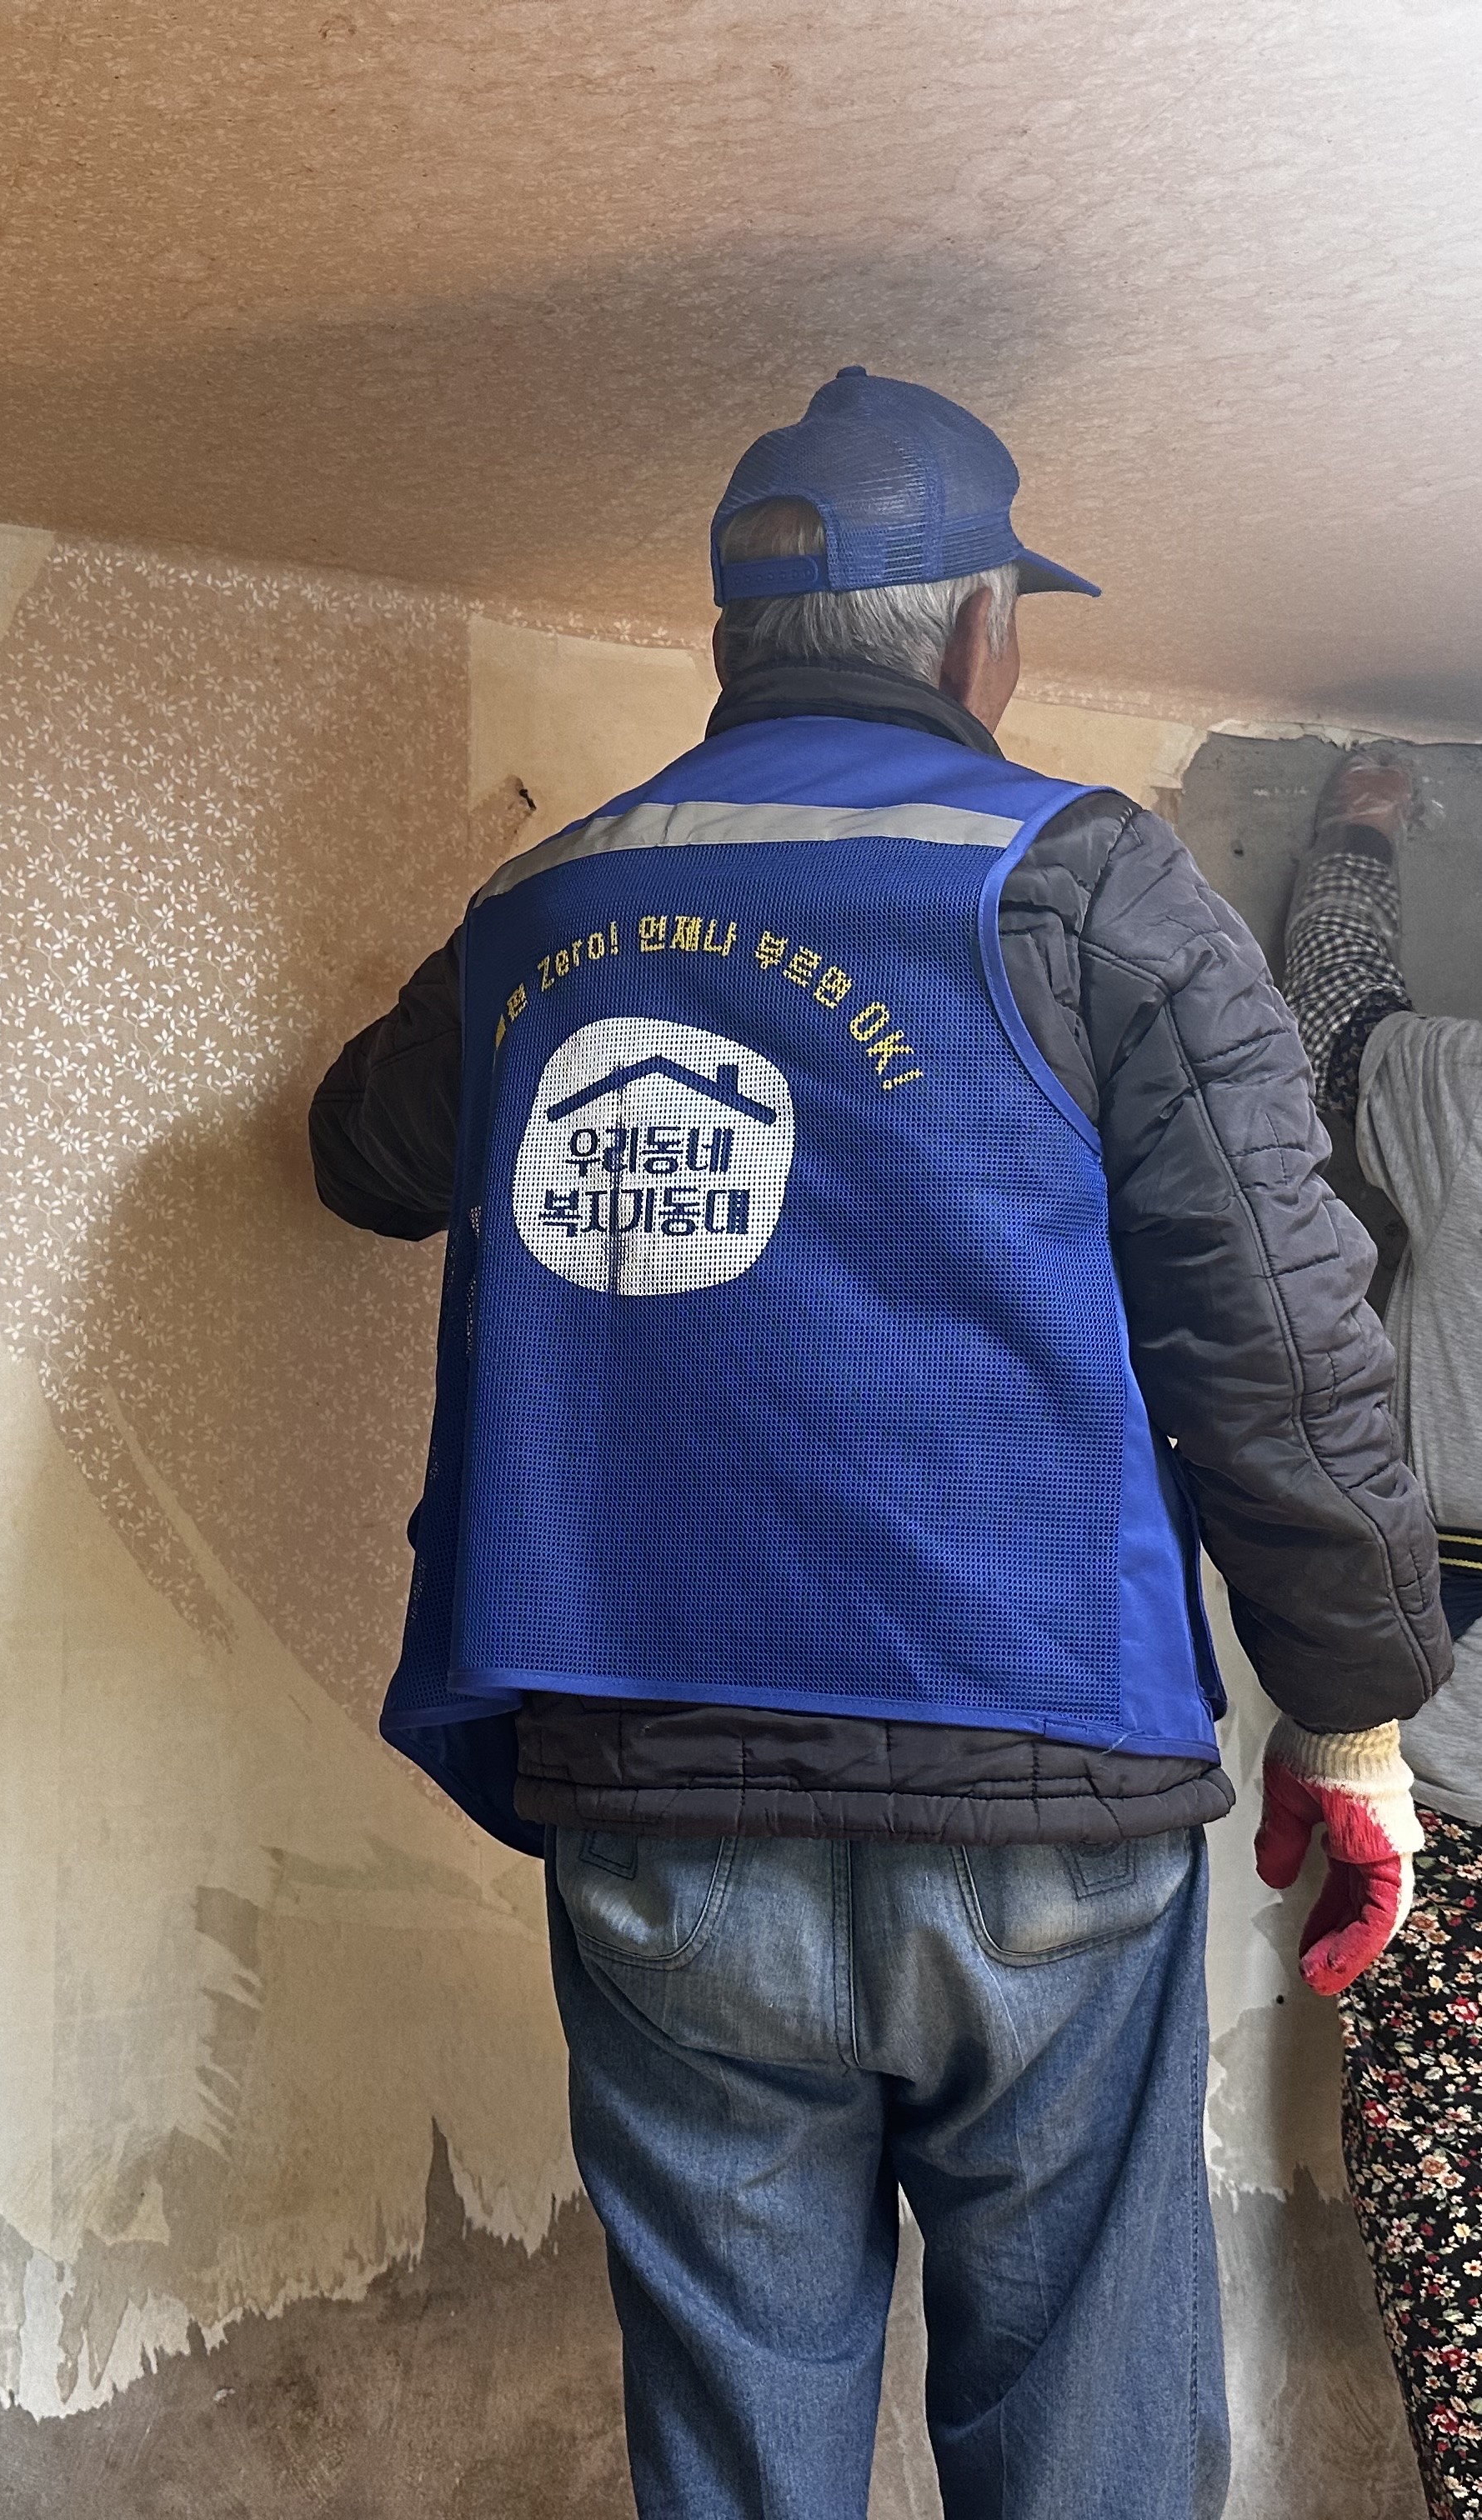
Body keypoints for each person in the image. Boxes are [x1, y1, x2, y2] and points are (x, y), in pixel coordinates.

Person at [308, 367, 1449, 2520]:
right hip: (1033, 1791)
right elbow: (1277, 1343)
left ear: (733, 640)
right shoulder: (1086, 886)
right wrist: (1352, 1711)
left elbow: (358, 1156)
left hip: (657, 1806)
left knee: (736, 2461)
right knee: (1086, 2443)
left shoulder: (546, 908)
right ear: (974, 634)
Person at [1284, 757, 1482, 2514]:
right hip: (1440, 1775)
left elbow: (1334, 1032)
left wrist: (1351, 836)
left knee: (1443, 2218)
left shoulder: (1467, 1097)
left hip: (1446, 1780)